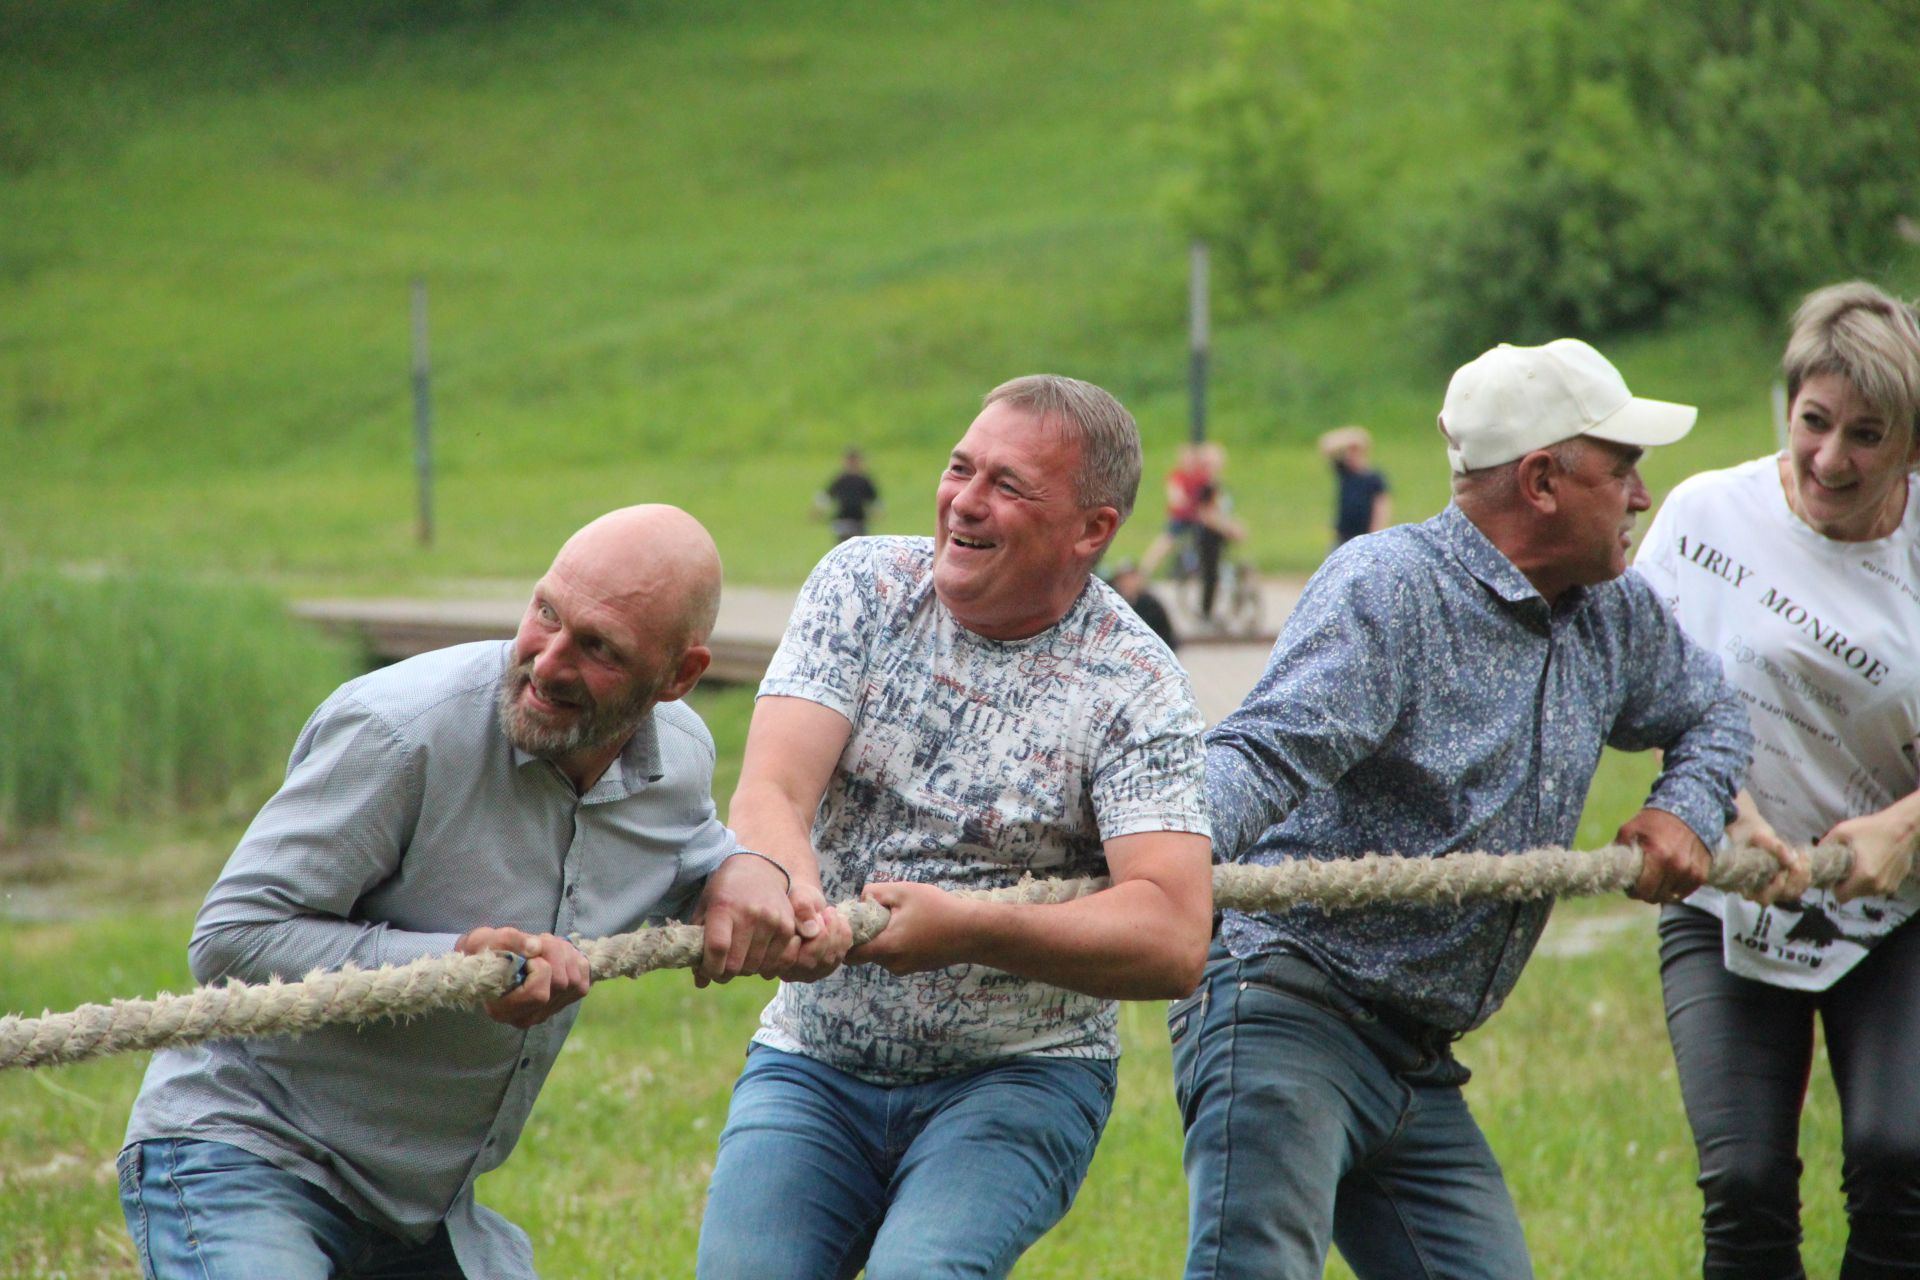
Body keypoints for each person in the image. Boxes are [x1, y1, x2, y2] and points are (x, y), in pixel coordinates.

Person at [1177, 338, 1757, 1280]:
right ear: (1541, 483)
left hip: (1416, 1059)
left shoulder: (1612, 614)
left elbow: (1713, 711)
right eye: (1622, 471)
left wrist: (1686, 807)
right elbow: (1259, 755)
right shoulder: (1390, 591)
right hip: (1285, 1007)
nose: (1643, 496)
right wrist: (1151, 854)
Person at [118, 506, 808, 1280]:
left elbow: (694, 869)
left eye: (598, 648)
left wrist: (746, 869)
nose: (546, 662)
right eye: (546, 612)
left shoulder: (677, 759)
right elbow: (231, 939)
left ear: (679, 677)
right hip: (247, 1154)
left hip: (427, 1211)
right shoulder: (397, 732)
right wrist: (457, 962)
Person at [696, 374, 1214, 1280]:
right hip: (814, 1060)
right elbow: (773, 789)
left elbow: (1173, 933)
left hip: (1019, 1077)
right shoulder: (861, 586)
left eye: (1008, 486)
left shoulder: (1137, 683)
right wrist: (790, 889)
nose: (963, 504)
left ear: (1094, 529)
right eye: (958, 468)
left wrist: (966, 929)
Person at [1633, 281, 1920, 1279]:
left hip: (1904, 907)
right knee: (1746, 1182)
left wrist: (1906, 828)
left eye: (1869, 434)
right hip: (1728, 892)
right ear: (1785, 404)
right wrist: (1721, 805)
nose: (1832, 457)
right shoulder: (1705, 517)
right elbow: (1644, 691)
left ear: (1915, 444)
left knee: (1901, 1159)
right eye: (1814, 421)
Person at [1139, 440, 1212, 578]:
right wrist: (1183, 502)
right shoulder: (1178, 476)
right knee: (1166, 541)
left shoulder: (1201, 477)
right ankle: (1144, 571)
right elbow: (1175, 496)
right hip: (1181, 517)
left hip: (1198, 518)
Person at [1318, 423, 1392, 546]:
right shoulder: (1345, 473)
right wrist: (1351, 437)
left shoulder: (1373, 478)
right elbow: (1325, 444)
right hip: (1342, 537)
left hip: (1364, 536)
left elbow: (1381, 505)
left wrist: (1375, 533)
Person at [1109, 557, 1178, 651]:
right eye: (1124, 579)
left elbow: (1167, 636)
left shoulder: (1151, 605)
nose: (1128, 583)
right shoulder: (1111, 604)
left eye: (1131, 578)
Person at [818, 446, 883, 541]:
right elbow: (826, 497)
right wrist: (818, 511)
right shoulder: (840, 479)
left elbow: (874, 499)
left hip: (859, 520)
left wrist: (877, 513)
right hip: (843, 519)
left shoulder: (864, 480)